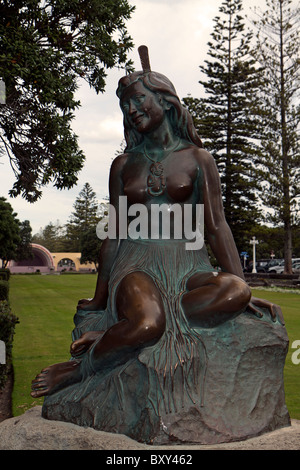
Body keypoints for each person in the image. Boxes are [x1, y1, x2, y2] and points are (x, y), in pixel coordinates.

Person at [31, 46, 284, 400]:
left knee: (235, 291)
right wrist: (100, 301)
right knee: (149, 321)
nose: (131, 111)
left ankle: (119, 335)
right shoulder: (123, 165)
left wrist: (243, 289)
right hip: (137, 265)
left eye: (137, 100)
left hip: (189, 264)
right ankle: (81, 368)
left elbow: (216, 227)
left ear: (164, 100)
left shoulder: (199, 159)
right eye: (125, 106)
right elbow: (115, 234)